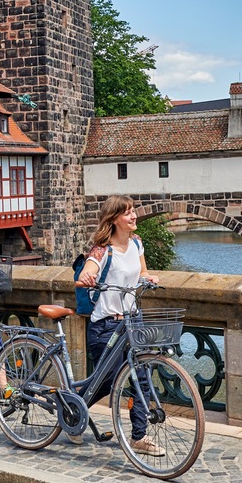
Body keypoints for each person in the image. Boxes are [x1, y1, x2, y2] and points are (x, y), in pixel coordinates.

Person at [75, 194, 164, 456]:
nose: (134, 215)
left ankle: (139, 437)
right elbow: (85, 273)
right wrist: (88, 275)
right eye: (127, 212)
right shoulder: (102, 250)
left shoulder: (137, 243)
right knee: (106, 380)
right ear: (114, 219)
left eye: (133, 210)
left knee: (141, 378)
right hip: (105, 325)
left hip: (133, 321)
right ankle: (73, 410)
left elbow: (141, 272)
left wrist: (149, 278)